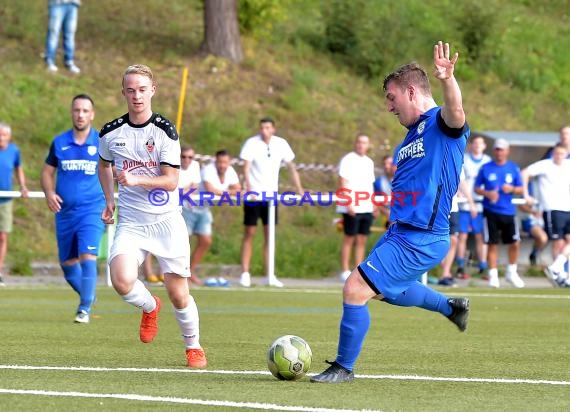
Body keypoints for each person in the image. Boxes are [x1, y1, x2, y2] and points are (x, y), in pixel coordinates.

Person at [311, 41, 470, 383]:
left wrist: (447, 80)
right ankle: (452, 307)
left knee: (355, 288)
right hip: (400, 231)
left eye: (392, 98)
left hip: (423, 237)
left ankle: (343, 368)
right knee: (388, 291)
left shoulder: (441, 125)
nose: (389, 107)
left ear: (411, 92)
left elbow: (456, 113)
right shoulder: (409, 139)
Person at [98, 64, 206, 368]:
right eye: (131, 90)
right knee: (121, 280)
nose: (137, 96)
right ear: (123, 93)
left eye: (142, 90)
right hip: (132, 222)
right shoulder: (110, 132)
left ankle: (193, 347)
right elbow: (103, 166)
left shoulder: (164, 131)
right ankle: (149, 306)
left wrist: (137, 180)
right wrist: (110, 200)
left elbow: (172, 180)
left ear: (152, 91)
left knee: (179, 293)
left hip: (166, 222)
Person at [41, 94, 104, 322]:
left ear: (92, 114)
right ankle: (89, 295)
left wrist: (111, 201)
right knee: (67, 265)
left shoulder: (101, 142)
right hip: (65, 213)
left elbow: (112, 172)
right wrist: (49, 192)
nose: (81, 115)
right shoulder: (59, 142)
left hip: (92, 209)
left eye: (85, 111)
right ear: (72, 112)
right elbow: (47, 172)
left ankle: (84, 308)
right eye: (77, 110)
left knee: (88, 255)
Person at [238, 117, 303, 288]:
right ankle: (245, 273)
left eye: (267, 127)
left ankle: (269, 274)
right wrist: (249, 187)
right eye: (262, 127)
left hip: (271, 198)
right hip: (253, 197)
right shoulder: (251, 143)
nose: (264, 130)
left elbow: (291, 167)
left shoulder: (281, 144)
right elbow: (246, 167)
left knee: (270, 235)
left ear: (273, 129)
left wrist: (299, 189)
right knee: (249, 233)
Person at [474, 138, 525, 288]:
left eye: (502, 149)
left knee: (515, 242)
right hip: (490, 211)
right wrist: (488, 193)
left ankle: (511, 272)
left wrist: (512, 189)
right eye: (497, 149)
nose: (499, 152)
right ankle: (493, 275)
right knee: (492, 244)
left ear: (507, 151)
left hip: (508, 211)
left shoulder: (513, 168)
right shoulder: (486, 168)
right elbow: (477, 188)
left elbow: (521, 188)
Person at [195, 149, 241, 286]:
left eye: (225, 162)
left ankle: (189, 272)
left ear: (229, 162)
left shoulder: (231, 171)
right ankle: (169, 274)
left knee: (206, 241)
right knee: (180, 242)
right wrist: (229, 193)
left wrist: (224, 193)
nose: (222, 165)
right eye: (220, 162)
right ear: (216, 161)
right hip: (189, 206)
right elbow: (210, 190)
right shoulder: (208, 170)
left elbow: (238, 189)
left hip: (203, 209)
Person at [522, 143, 570, 267]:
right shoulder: (545, 165)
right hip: (552, 209)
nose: (559, 156)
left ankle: (558, 269)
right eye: (557, 153)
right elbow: (525, 173)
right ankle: (557, 270)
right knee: (557, 242)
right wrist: (525, 194)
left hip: (567, 209)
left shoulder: (567, 165)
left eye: (562, 154)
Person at [337, 134, 376, 282]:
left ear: (368, 145)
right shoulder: (348, 159)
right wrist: (349, 203)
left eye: (364, 143)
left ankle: (358, 269)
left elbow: (370, 185)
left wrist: (373, 204)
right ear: (355, 143)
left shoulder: (369, 162)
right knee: (349, 238)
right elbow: (342, 181)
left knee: (362, 239)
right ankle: (345, 270)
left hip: (366, 206)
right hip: (352, 206)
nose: (361, 145)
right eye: (359, 142)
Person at [455, 135, 491, 278]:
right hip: (464, 204)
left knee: (480, 236)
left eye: (480, 143)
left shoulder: (488, 161)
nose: (477, 146)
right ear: (471, 145)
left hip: (480, 204)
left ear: (484, 146)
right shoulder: (464, 159)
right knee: (462, 236)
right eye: (475, 143)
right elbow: (458, 178)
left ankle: (483, 266)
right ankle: (460, 266)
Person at [0, 123, 28, 286]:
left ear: (9, 137)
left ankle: (0, 270)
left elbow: (19, 169)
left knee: (3, 236)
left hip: (5, 200)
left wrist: (23, 186)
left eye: (4, 135)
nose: (1, 137)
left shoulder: (14, 151)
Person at [438, 175, 476, 286]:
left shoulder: (457, 159)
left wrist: (471, 202)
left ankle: (445, 274)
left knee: (454, 240)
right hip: (436, 207)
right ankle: (445, 272)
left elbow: (461, 181)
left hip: (453, 208)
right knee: (436, 240)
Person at [178, 146, 205, 286]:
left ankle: (188, 271)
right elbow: (171, 186)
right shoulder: (172, 164)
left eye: (190, 157)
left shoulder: (195, 166)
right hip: (176, 208)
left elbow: (194, 186)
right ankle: (154, 274)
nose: (187, 160)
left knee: (205, 239)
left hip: (192, 207)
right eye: (184, 156)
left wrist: (183, 193)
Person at [44, 0, 82, 74]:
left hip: (73, 4)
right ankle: (50, 61)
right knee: (54, 33)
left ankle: (69, 61)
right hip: (57, 4)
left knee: (70, 34)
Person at [373, 154, 394, 228]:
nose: (387, 166)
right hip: (386, 215)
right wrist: (386, 212)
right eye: (385, 164)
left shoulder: (404, 180)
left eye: (389, 163)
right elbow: (376, 202)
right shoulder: (378, 182)